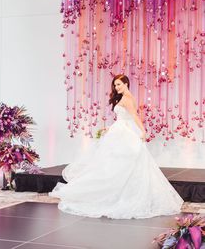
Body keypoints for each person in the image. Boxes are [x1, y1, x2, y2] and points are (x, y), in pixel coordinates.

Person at [49, 74, 183, 219]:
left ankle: (120, 195)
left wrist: (143, 131)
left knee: (121, 164)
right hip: (119, 131)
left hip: (124, 134)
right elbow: (122, 119)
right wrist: (109, 129)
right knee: (113, 164)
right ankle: (115, 193)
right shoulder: (124, 98)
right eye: (115, 85)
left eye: (119, 84)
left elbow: (134, 117)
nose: (117, 87)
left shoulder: (127, 99)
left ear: (126, 83)